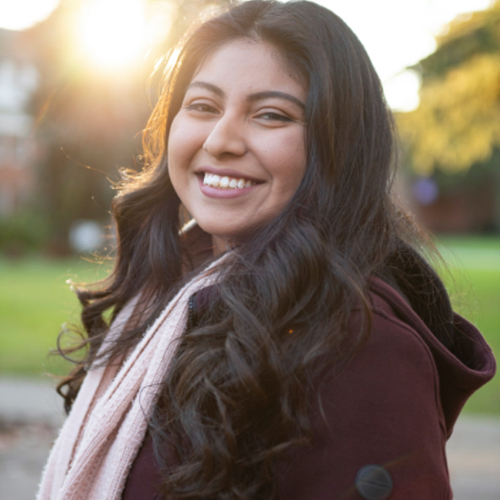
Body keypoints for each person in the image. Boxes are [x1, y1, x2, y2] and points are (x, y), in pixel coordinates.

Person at [37, 1, 496, 499]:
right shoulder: (162, 296)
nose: (221, 139)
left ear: (337, 147)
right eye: (203, 106)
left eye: (271, 115)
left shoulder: (362, 344)